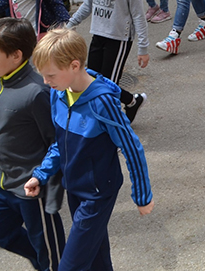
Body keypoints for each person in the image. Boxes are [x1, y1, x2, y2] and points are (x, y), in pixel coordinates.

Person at [26, 29, 154, 271]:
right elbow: (60, 142)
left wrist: (142, 195)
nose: (45, 81)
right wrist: (41, 174)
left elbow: (131, 147)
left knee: (70, 266)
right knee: (96, 257)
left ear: (74, 66)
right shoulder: (58, 94)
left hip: (97, 193)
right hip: (74, 187)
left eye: (50, 75)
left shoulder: (102, 102)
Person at [0, 17, 65, 271]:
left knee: (51, 251)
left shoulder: (37, 92)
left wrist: (45, 181)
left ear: (16, 55)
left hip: (31, 189)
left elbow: (57, 142)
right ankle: (42, 263)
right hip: (0, 181)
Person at [66, 0, 149, 122]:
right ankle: (132, 101)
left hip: (119, 39)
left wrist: (143, 48)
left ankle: (111, 126)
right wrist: (69, 24)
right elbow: (88, 5)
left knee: (106, 88)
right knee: (93, 81)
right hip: (98, 34)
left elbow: (138, 16)